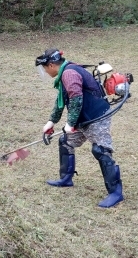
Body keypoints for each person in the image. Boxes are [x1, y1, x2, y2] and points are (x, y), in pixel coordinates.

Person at [35, 48, 124, 208]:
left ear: (51, 65)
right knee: (65, 142)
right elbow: (62, 98)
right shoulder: (65, 71)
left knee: (101, 151)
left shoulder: (69, 73)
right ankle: (66, 179)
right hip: (83, 118)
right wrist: (51, 122)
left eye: (45, 69)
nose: (46, 72)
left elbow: (76, 99)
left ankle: (116, 193)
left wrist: (69, 124)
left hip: (97, 116)